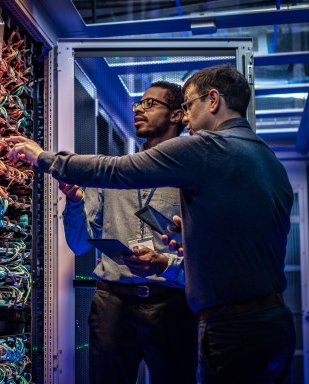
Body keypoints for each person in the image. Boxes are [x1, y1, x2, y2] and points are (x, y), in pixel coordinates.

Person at [7, 64, 296, 384]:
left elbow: (118, 172)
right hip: (266, 320)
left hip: (224, 324)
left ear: (212, 101)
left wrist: (44, 158)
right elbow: (240, 243)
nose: (187, 118)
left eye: (188, 107)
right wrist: (181, 251)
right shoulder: (267, 160)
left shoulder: (209, 149)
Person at [60, 81, 196, 384]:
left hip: (172, 303)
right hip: (113, 303)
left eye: (150, 104)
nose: (138, 109)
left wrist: (162, 261)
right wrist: (74, 201)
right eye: (138, 104)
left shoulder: (190, 174)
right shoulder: (113, 172)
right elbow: (80, 245)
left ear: (176, 115)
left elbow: (206, 249)